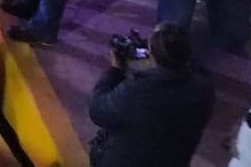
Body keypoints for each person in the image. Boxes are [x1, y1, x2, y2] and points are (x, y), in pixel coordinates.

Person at [86, 22, 213, 167]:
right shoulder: (204, 89)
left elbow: (97, 110)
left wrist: (115, 70)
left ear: (152, 53)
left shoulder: (138, 90)